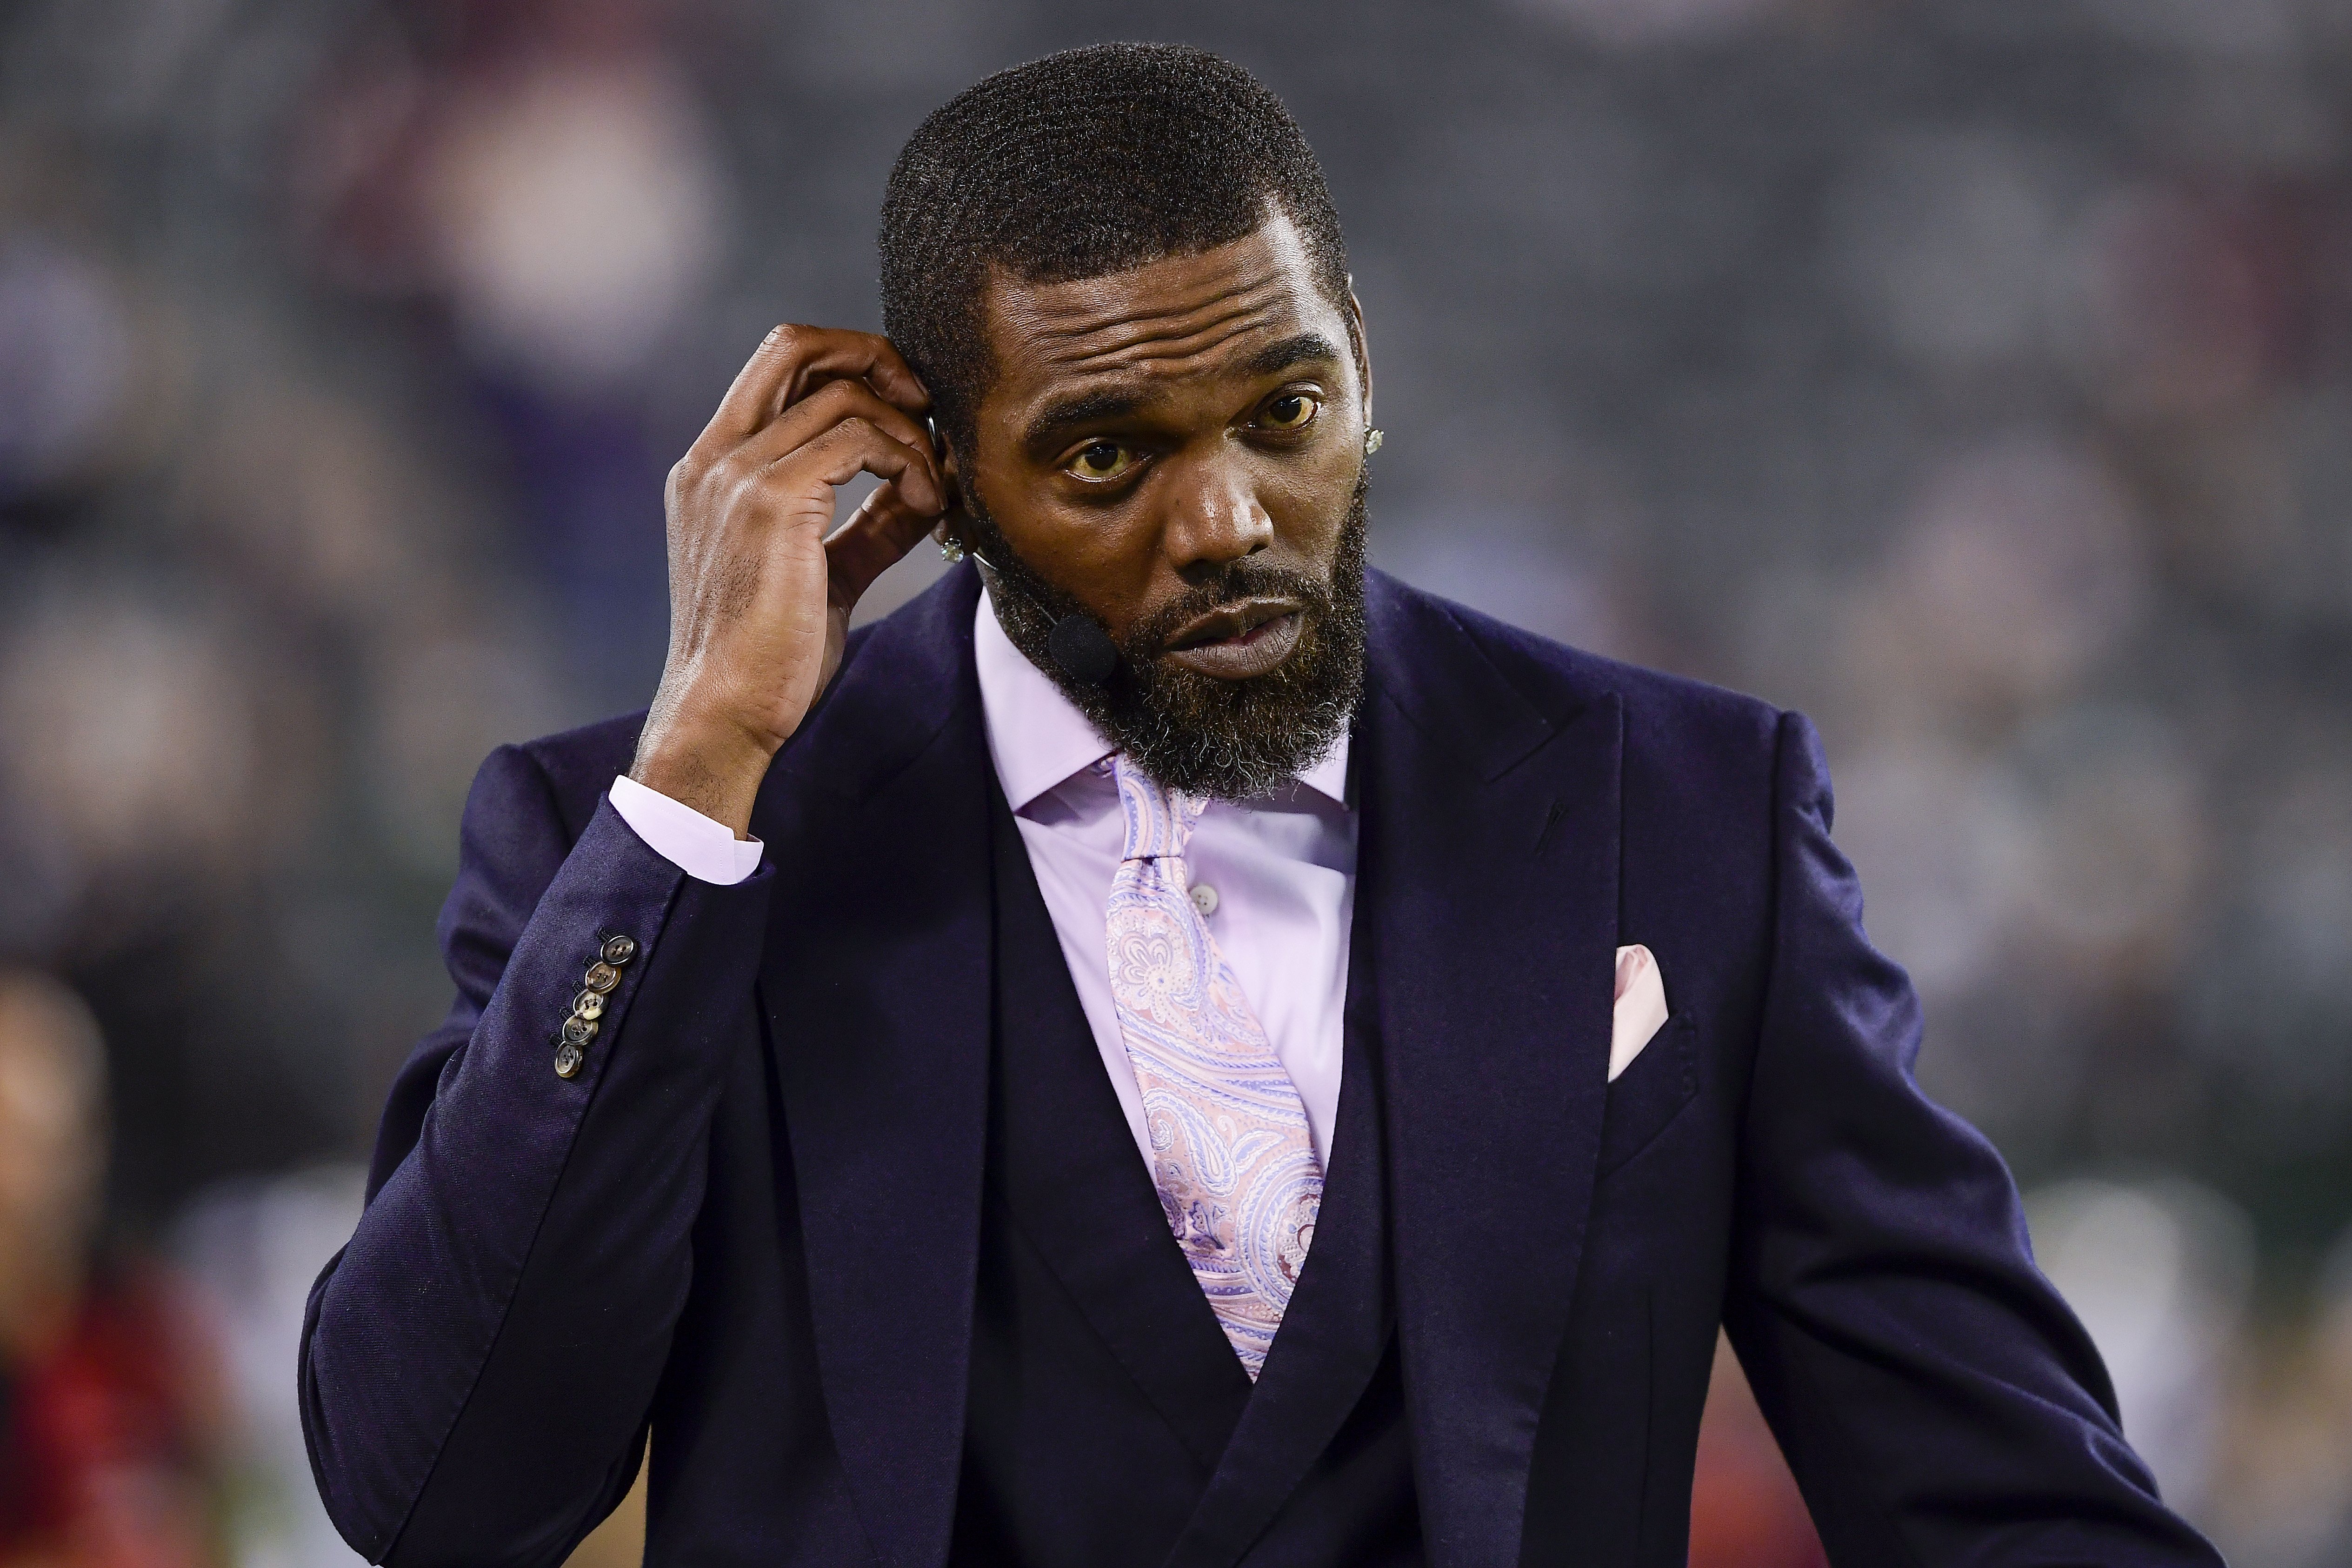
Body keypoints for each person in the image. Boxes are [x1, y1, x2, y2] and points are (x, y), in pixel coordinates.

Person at [300, 43, 2224, 1568]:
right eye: (1106, 451)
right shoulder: (640, 851)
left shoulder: (1688, 811)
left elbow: (1995, 1494)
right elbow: (438, 1493)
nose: (1223, 521)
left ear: (1363, 365)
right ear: (937, 470)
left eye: (1280, 414)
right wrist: (702, 775)